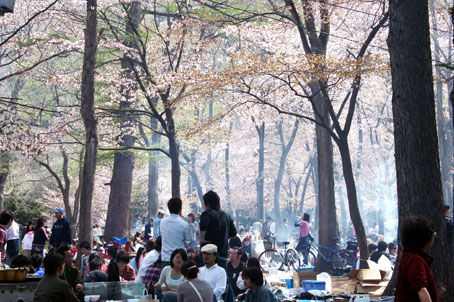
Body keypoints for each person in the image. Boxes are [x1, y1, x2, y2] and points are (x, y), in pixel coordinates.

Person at [397, 216, 438, 302]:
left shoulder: (409, 255)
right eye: (432, 234)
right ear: (424, 238)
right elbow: (421, 289)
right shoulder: (415, 260)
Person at [199, 191, 237, 269]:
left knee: (206, 279)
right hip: (223, 254)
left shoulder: (206, 214)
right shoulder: (227, 216)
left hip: (208, 255)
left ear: (207, 203)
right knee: (220, 278)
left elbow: (203, 227)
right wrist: (223, 237)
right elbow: (233, 233)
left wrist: (202, 239)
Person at [160, 197, 191, 268]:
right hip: (180, 259)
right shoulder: (184, 224)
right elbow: (188, 242)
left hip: (166, 258)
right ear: (180, 209)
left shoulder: (162, 222)